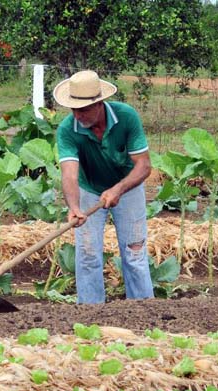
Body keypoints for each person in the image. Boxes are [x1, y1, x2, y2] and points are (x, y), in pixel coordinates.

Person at [54, 70, 154, 304]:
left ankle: (143, 309)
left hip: (127, 187)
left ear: (99, 103)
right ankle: (91, 312)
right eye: (73, 109)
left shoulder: (126, 117)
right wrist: (74, 206)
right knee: (87, 254)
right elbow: (69, 173)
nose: (77, 115)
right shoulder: (67, 130)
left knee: (134, 252)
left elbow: (144, 166)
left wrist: (118, 189)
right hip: (89, 189)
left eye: (84, 109)